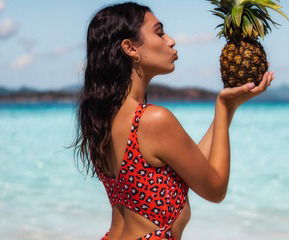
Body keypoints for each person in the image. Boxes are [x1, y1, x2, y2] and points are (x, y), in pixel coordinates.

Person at [71, 2, 274, 240]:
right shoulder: (153, 120)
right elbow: (215, 189)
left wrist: (226, 109)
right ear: (130, 48)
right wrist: (223, 106)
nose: (171, 40)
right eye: (159, 32)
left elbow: (190, 167)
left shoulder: (103, 119)